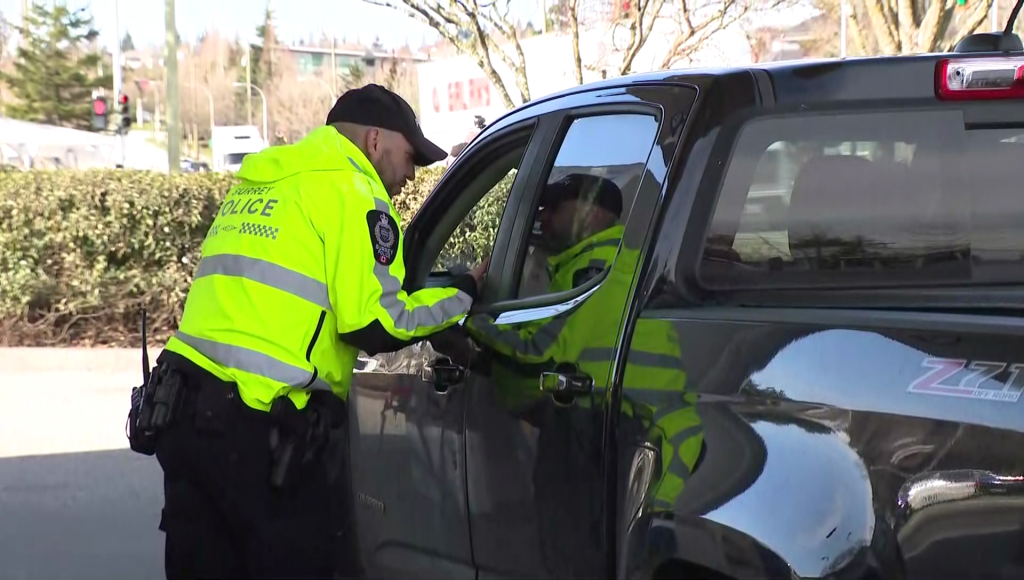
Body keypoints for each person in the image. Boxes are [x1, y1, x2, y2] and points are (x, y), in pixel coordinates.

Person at [143, 83, 486, 579]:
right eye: (409, 157)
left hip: (182, 417)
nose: (410, 176)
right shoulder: (354, 191)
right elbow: (374, 323)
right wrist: (462, 298)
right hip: (260, 437)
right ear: (374, 142)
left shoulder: (263, 182)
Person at [463, 173, 702, 577]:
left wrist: (465, 316)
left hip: (611, 443)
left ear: (590, 214)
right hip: (661, 446)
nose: (545, 216)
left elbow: (537, 351)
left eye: (555, 207)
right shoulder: (630, 265)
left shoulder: (592, 274)